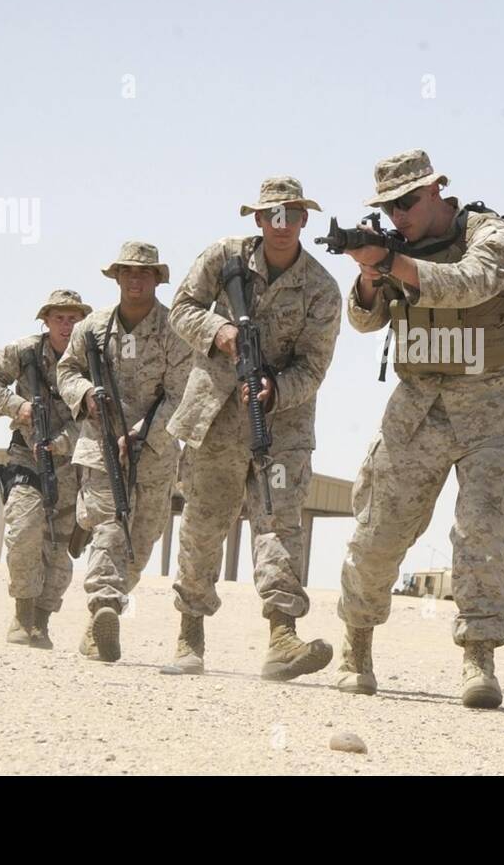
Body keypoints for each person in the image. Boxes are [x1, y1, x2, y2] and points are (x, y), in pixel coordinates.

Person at [336, 149, 504, 709]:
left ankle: (479, 656)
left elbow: (467, 283)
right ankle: (356, 644)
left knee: (482, 528)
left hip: (495, 405)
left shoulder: (494, 236)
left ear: (437, 190)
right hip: (418, 409)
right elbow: (363, 321)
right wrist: (367, 274)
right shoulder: (396, 251)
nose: (398, 216)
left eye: (406, 202)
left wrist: (391, 262)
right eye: (388, 208)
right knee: (379, 529)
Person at [166, 177, 341, 680]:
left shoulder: (321, 289)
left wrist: (274, 390)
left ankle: (282, 638)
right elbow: (181, 308)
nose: (281, 224)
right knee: (204, 524)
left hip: (281, 425)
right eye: (272, 215)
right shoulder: (224, 257)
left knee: (280, 523)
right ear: (259, 220)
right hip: (215, 416)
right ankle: (189, 635)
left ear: (304, 219)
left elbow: (313, 368)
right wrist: (218, 331)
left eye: (291, 214)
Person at [57, 242, 191, 662]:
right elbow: (67, 370)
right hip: (99, 445)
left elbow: (182, 391)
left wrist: (140, 432)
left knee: (141, 539)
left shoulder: (174, 330)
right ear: (116, 278)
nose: (136, 279)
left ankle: (99, 624)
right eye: (128, 272)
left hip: (155, 448)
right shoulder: (92, 329)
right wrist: (85, 397)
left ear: (156, 279)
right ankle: (105, 605)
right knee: (110, 526)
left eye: (145, 273)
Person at [0, 289, 91, 648]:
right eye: (59, 318)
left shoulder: (92, 361)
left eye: (73, 319)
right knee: (24, 529)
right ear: (46, 321)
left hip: (71, 463)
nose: (66, 325)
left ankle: (41, 621)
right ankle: (22, 615)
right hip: (27, 456)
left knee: (59, 545)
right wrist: (17, 406)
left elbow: (96, 415)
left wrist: (62, 443)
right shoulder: (24, 352)